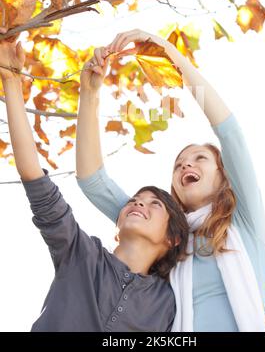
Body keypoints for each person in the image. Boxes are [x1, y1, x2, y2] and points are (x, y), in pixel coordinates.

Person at [76, 29, 265, 332]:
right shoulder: (162, 231)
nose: (186, 163)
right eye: (178, 164)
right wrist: (90, 93)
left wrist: (170, 54)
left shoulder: (245, 223)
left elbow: (230, 133)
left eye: (200, 158)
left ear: (224, 177)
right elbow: (92, 181)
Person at [0, 39, 188, 332]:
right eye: (136, 199)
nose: (139, 203)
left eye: (155, 204)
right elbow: (34, 176)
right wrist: (11, 81)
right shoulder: (79, 252)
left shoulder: (170, 305)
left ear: (173, 239)